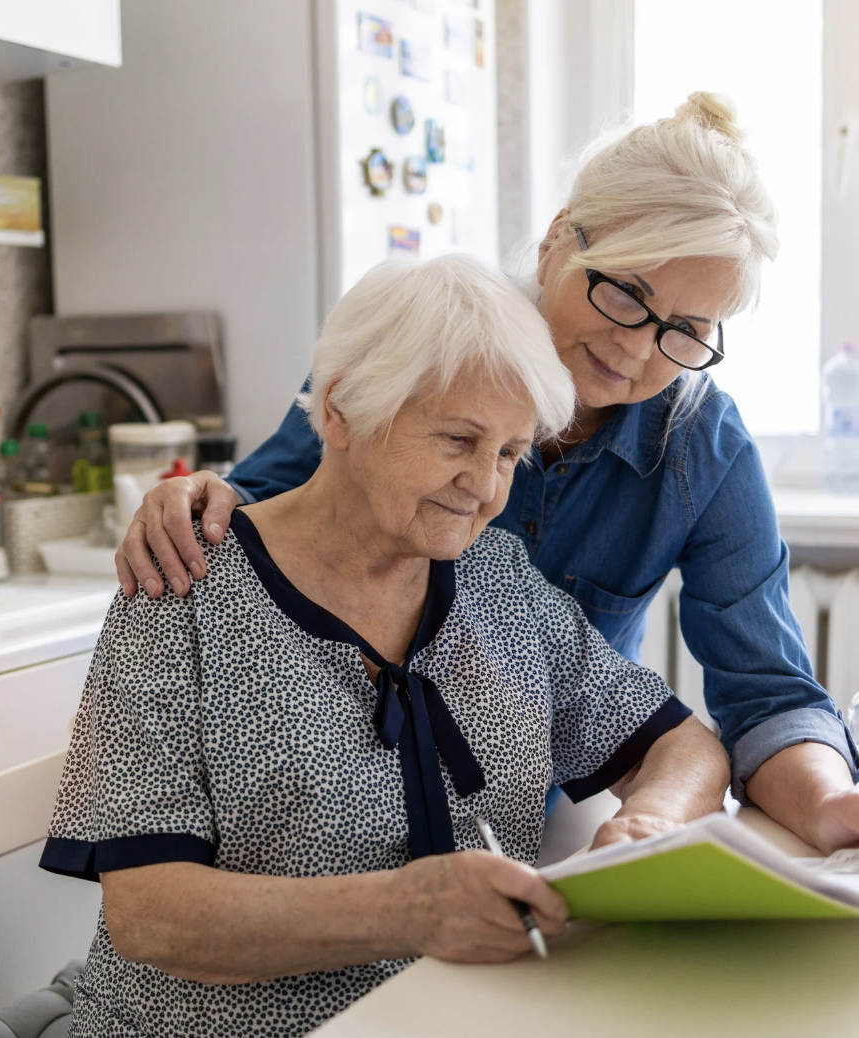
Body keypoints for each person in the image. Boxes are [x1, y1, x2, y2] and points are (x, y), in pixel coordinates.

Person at [115, 92, 859, 856]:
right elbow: (261, 513)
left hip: (527, 813)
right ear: (555, 242)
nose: (639, 350)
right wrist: (191, 499)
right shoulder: (428, 346)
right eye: (628, 293)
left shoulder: (701, 444)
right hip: (331, 811)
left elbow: (766, 691)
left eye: (686, 333)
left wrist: (835, 805)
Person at [41, 255, 730, 1038]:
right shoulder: (183, 589)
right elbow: (152, 915)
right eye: (458, 439)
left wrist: (654, 825)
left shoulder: (497, 580)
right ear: (340, 411)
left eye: (508, 453)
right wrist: (408, 912)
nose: (484, 486)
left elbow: (684, 746)